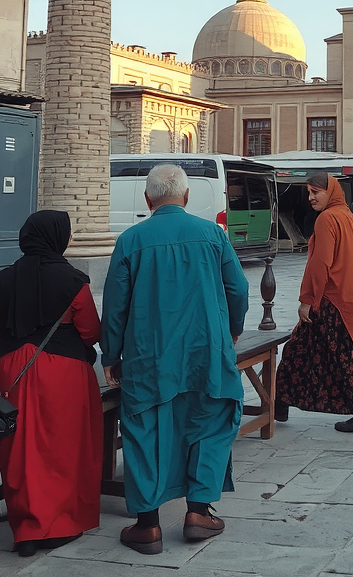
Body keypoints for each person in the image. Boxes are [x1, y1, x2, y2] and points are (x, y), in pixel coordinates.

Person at [102, 164, 249, 555]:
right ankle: (199, 512)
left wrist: (111, 354)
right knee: (210, 423)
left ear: (149, 200)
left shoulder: (131, 240)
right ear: (186, 197)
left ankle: (147, 525)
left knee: (144, 428)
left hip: (150, 355)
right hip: (207, 350)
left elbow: (115, 305)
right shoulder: (212, 235)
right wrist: (232, 330)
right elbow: (238, 287)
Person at [0, 211, 102, 558]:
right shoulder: (74, 281)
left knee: (19, 451)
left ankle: (26, 529)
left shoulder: (1, 280)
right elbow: (91, 332)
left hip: (9, 372)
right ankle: (57, 525)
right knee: (63, 449)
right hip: (62, 372)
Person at [275, 172, 353, 433]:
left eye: (315, 192)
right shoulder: (348, 217)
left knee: (344, 358)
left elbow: (320, 263)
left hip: (333, 301)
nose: (310, 197)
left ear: (329, 192)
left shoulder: (328, 219)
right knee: (299, 349)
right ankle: (279, 401)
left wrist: (307, 300)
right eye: (308, 192)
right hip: (347, 298)